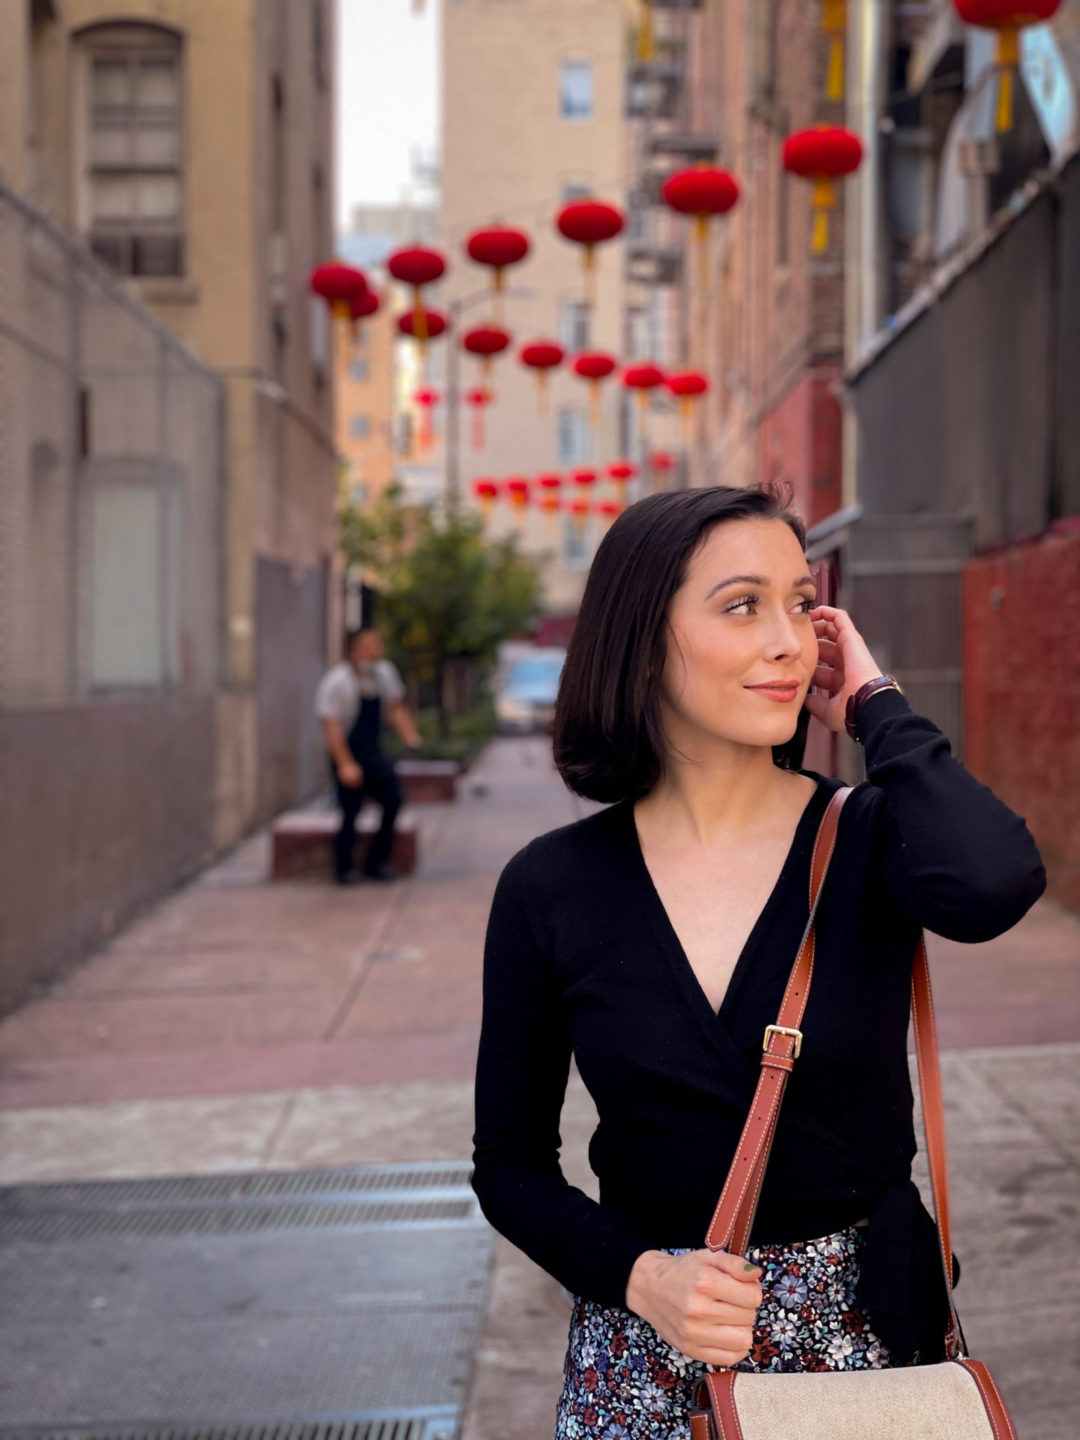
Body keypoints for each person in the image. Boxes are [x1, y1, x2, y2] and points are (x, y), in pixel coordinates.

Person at [471, 484, 1046, 1438]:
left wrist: (875, 706)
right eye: (743, 606)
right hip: (650, 1363)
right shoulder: (552, 887)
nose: (790, 641)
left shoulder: (867, 840)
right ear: (643, 637)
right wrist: (643, 1278)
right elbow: (510, 1165)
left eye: (802, 604)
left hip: (868, 1360)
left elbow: (994, 882)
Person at [314, 626, 422, 884]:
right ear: (354, 650)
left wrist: (410, 735)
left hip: (374, 751)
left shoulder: (385, 673)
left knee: (393, 801)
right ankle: (344, 868)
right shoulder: (336, 682)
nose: (377, 648)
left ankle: (378, 861)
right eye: (370, 644)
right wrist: (345, 764)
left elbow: (396, 708)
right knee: (350, 811)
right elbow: (332, 729)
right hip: (347, 751)